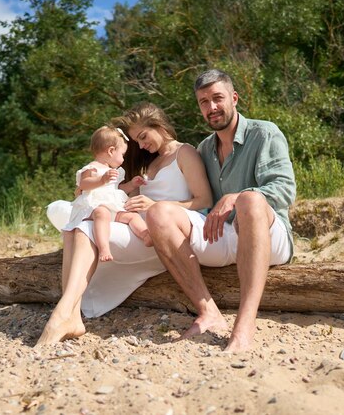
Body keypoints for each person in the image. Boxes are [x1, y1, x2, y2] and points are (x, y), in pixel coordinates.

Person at [145, 69, 296, 352]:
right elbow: (199, 202)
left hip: (269, 235)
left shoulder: (265, 134)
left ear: (234, 98)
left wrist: (237, 196)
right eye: (204, 101)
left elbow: (285, 191)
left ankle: (245, 324)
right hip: (224, 234)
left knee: (249, 201)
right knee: (158, 213)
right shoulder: (203, 149)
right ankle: (209, 313)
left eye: (217, 98)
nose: (211, 107)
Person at [37, 102, 212, 346]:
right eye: (136, 141)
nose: (140, 145)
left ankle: (62, 313)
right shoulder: (150, 163)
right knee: (73, 220)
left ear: (159, 125)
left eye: (143, 137)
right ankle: (71, 315)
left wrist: (154, 206)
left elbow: (204, 200)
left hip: (164, 234)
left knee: (86, 227)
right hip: (136, 226)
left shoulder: (185, 153)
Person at [62, 125, 148, 262]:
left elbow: (117, 190)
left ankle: (146, 235)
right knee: (102, 213)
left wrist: (132, 184)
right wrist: (101, 179)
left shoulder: (114, 171)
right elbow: (84, 184)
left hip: (112, 207)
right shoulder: (92, 167)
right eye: (122, 155)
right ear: (111, 151)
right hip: (93, 208)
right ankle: (104, 248)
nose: (124, 159)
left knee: (132, 216)